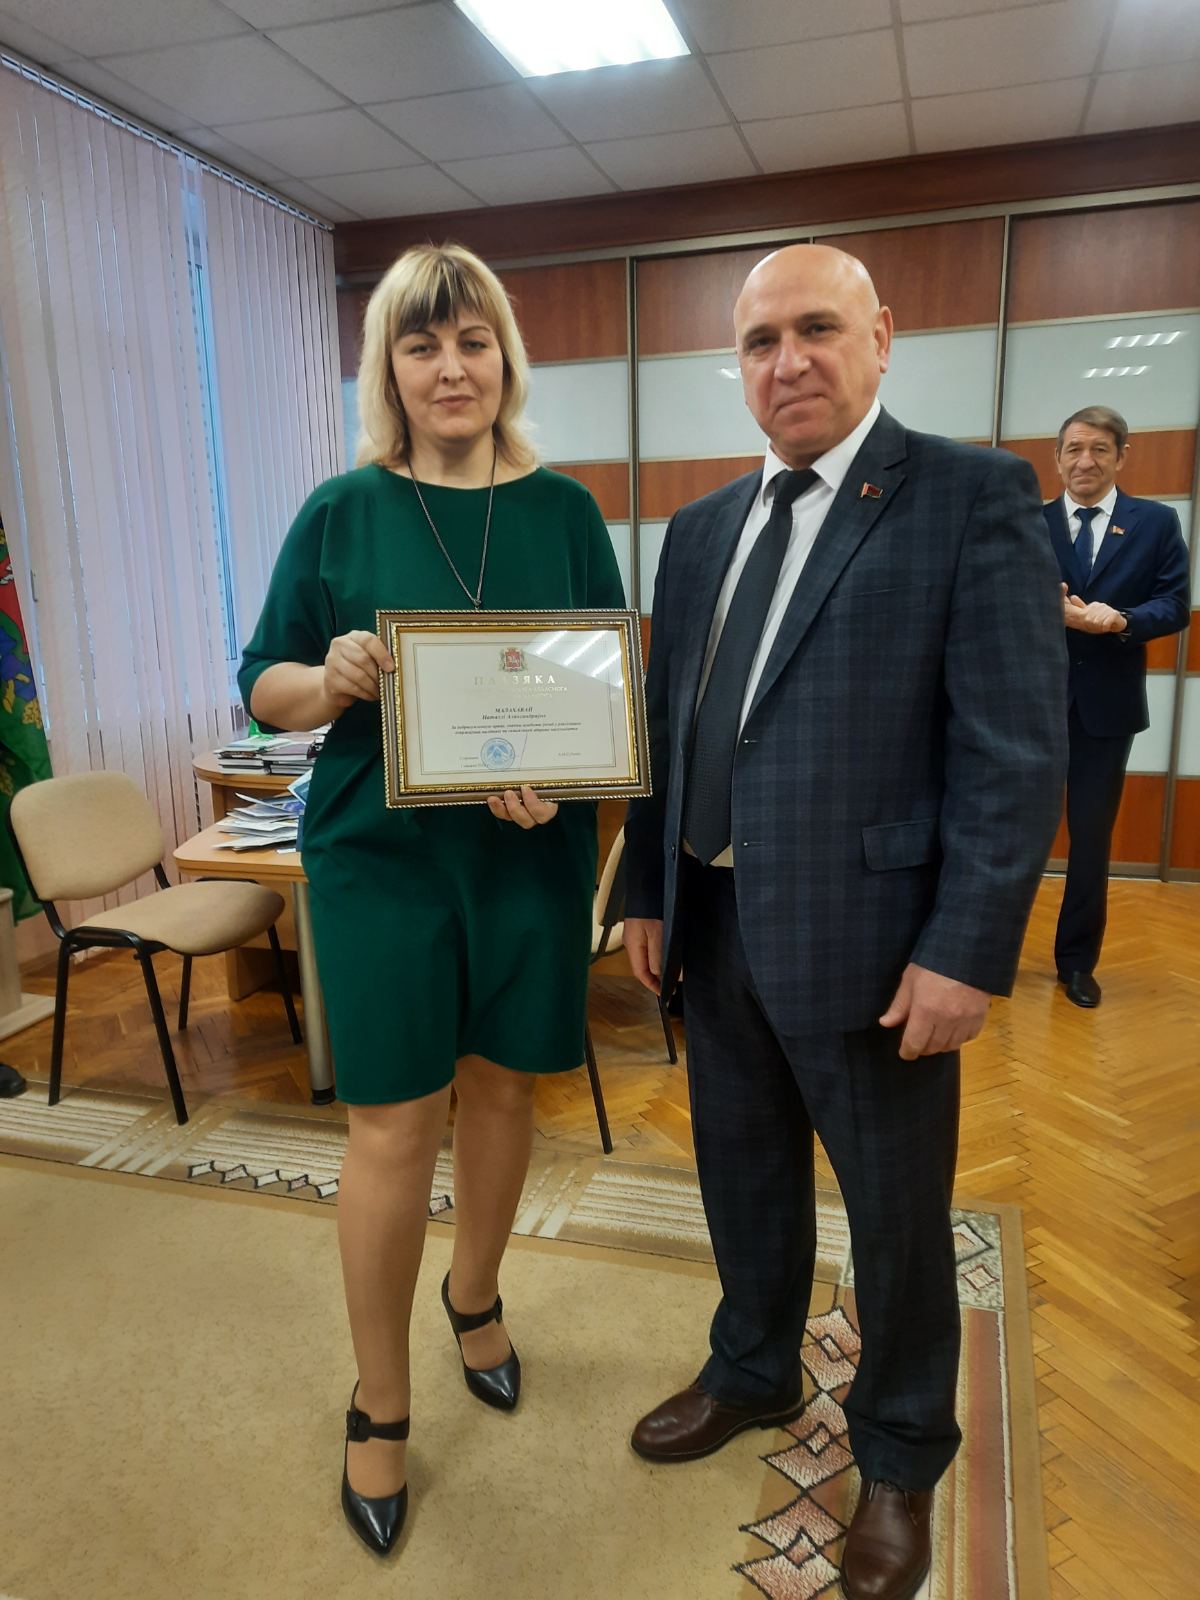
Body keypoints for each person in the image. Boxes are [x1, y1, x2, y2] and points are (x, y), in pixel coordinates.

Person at [622, 245, 1066, 1600]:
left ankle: (901, 1448)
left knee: (895, 1215)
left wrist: (964, 948)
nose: (789, 361)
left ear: (881, 336)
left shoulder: (971, 497)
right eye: (760, 341)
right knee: (741, 1176)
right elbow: (669, 726)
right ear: (739, 367)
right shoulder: (703, 528)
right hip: (715, 921)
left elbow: (1012, 748)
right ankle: (754, 1367)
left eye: (817, 328)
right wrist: (644, 886)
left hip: (878, 947)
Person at [239, 243, 625, 1558]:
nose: (450, 368)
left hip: (526, 855)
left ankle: (477, 1292)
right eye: (421, 345)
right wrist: (331, 677)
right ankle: (380, 1399)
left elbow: (604, 697)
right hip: (382, 859)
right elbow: (265, 686)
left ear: (504, 357)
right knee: (395, 1124)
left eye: (472, 341)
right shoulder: (339, 511)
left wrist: (562, 784)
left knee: (506, 1090)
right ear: (389, 370)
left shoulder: (567, 512)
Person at [1045, 406, 1190, 1007]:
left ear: (1121, 456)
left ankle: (1077, 963)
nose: (1086, 461)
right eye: (1074, 449)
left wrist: (1121, 619)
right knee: (1008, 834)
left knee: (1091, 837)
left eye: (1100, 449)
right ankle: (987, 956)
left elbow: (1175, 603)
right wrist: (1045, 610)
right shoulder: (1028, 522)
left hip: (1106, 709)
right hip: (1028, 705)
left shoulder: (1154, 522)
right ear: (1057, 457)